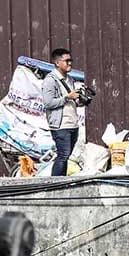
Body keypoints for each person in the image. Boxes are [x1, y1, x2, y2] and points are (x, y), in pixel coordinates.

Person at [41, 47, 82, 176]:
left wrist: (79, 101)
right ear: (57, 63)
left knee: (66, 155)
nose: (70, 63)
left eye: (71, 60)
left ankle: (61, 180)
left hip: (72, 123)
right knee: (63, 155)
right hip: (60, 125)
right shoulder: (50, 81)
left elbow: (72, 100)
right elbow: (48, 102)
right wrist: (67, 97)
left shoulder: (69, 79)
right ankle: (56, 182)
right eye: (66, 61)